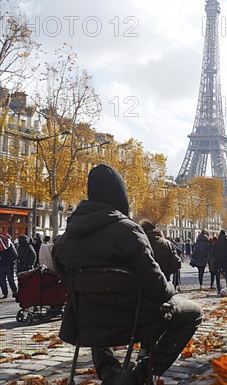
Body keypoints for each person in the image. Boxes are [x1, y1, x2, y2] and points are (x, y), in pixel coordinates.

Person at [52, 164, 202, 384]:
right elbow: (158, 289)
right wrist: (172, 290)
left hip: (88, 320)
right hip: (133, 320)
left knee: (97, 316)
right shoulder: (129, 231)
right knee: (194, 312)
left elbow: (64, 277)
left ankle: (109, 373)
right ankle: (139, 375)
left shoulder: (66, 238)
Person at [210, 230, 227, 296]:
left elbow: (212, 253)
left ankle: (218, 289)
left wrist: (216, 257)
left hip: (218, 261)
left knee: (217, 275)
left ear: (219, 235)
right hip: (226, 261)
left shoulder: (216, 243)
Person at [0, 233, 18, 299]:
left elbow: (15, 255)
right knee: (4, 280)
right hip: (3, 265)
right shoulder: (4, 245)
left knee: (9, 279)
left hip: (7, 265)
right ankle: (6, 293)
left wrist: (10, 261)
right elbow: (15, 255)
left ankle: (13, 292)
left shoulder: (10, 245)